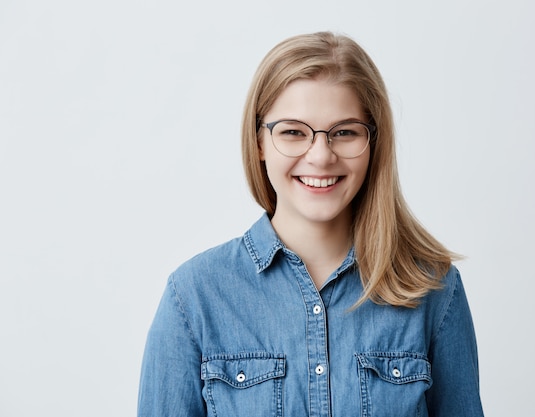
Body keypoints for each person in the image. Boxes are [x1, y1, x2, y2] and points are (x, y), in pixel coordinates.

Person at [138, 31, 484, 417]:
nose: (320, 156)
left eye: (345, 132)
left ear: (373, 143)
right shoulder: (193, 297)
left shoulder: (434, 290)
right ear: (259, 143)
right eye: (293, 132)